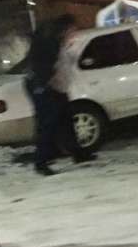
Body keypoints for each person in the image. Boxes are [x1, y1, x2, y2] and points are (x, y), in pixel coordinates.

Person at [25, 13, 95, 176]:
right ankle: (41, 162)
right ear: (65, 29)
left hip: (54, 88)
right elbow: (43, 68)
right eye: (73, 29)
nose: (74, 32)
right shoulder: (50, 44)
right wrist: (50, 82)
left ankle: (78, 154)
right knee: (47, 124)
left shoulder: (60, 43)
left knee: (66, 120)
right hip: (44, 89)